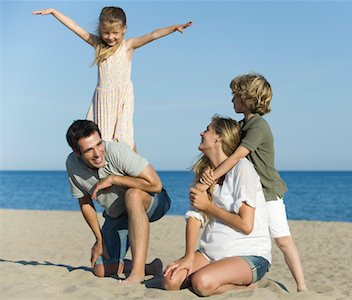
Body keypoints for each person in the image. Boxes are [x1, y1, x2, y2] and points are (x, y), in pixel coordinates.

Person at [197, 73, 308, 292]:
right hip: (250, 193)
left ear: (247, 98)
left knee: (283, 240)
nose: (232, 100)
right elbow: (225, 151)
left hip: (267, 192)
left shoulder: (259, 127)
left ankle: (302, 286)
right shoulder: (241, 125)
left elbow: (237, 155)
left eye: (235, 95)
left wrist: (214, 175)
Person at [33, 7, 192, 151]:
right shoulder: (98, 45)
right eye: (106, 33)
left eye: (115, 33)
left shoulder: (128, 46)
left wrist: (173, 28)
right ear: (101, 30)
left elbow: (153, 34)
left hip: (122, 97)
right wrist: (54, 12)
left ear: (124, 30)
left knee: (124, 136)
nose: (110, 37)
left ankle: (136, 170)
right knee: (102, 137)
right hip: (103, 100)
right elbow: (75, 27)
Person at [163, 115, 271, 296]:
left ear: (219, 138)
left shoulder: (242, 169)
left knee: (202, 282)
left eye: (207, 130)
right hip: (210, 254)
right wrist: (189, 256)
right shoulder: (206, 174)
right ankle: (212, 274)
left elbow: (246, 225)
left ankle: (247, 286)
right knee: (170, 280)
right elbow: (195, 216)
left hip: (249, 255)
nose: (201, 133)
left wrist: (208, 206)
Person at [65, 120, 171, 283]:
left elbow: (156, 184)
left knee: (132, 195)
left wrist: (114, 179)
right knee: (100, 269)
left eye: (99, 144)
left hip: (154, 201)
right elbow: (85, 202)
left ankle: (137, 273)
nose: (97, 153)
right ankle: (150, 267)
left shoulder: (116, 151)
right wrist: (99, 240)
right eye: (89, 150)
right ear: (77, 152)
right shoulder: (72, 164)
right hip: (119, 215)